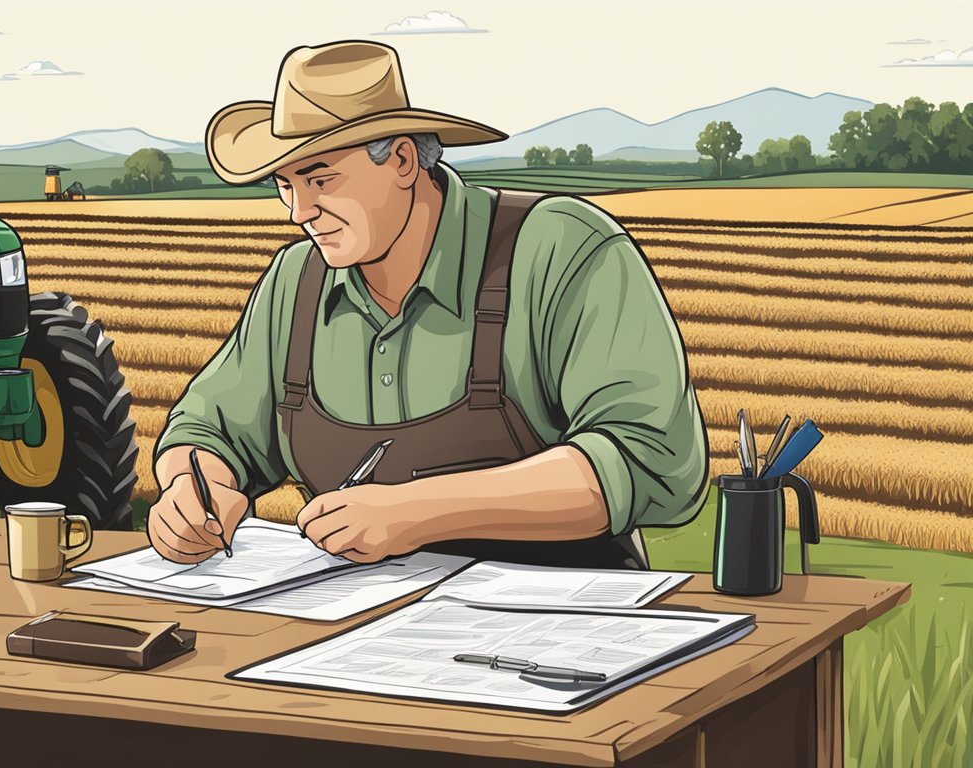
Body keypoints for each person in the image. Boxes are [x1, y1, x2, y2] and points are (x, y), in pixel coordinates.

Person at [148, 40, 708, 570]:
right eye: (285, 185)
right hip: (360, 632)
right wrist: (190, 489)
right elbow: (208, 428)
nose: (300, 212)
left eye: (321, 180)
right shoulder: (295, 283)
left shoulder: (559, 249)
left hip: (566, 631)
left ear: (401, 162)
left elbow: (648, 459)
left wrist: (415, 513)